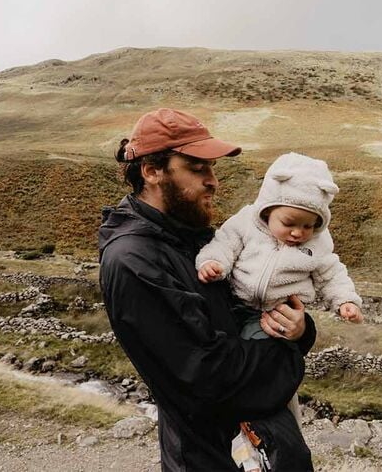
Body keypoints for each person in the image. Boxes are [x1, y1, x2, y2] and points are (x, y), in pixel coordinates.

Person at [98, 108, 317, 471]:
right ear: (152, 171)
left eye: (212, 168)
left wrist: (300, 328)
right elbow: (205, 374)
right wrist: (290, 356)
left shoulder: (194, 238)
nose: (213, 181)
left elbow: (247, 310)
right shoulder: (133, 260)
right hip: (210, 459)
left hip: (263, 450)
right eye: (198, 168)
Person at [196, 152, 363, 427]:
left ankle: (262, 420)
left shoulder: (318, 246)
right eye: (289, 223)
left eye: (308, 226)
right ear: (268, 209)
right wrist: (213, 263)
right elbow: (224, 244)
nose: (298, 233)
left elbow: (331, 273)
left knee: (262, 365)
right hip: (233, 303)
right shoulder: (245, 224)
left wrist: (346, 301)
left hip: (275, 315)